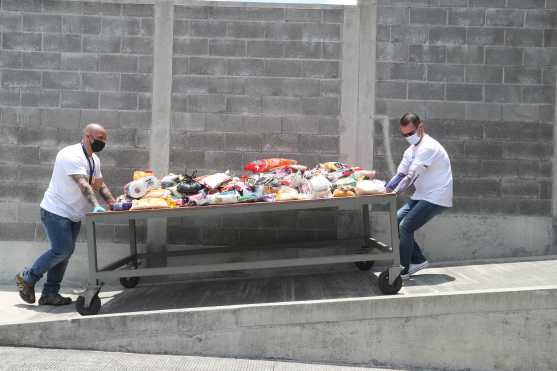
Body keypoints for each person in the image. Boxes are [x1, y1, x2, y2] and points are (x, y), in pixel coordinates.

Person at [16, 123, 115, 305]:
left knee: (64, 253)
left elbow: (100, 184)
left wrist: (113, 202)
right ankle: (27, 278)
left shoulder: (94, 160)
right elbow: (83, 184)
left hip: (73, 214)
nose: (103, 142)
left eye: (105, 139)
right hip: (56, 211)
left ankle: (50, 294)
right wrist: (95, 205)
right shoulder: (70, 154)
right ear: (87, 137)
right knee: (62, 249)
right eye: (100, 139)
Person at [385, 113, 453, 280]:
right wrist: (386, 187)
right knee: (396, 221)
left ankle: (404, 270)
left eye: (411, 133)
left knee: (405, 227)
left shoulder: (429, 147)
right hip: (422, 195)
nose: (408, 137)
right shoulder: (411, 150)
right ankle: (418, 260)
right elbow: (401, 174)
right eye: (405, 135)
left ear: (420, 128)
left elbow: (411, 176)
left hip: (437, 195)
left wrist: (394, 192)